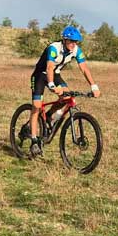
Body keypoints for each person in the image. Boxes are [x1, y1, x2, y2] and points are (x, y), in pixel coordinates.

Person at [28, 26, 101, 157]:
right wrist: (51, 85)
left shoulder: (76, 50)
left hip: (55, 74)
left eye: (76, 42)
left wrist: (94, 86)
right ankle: (33, 140)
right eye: (71, 41)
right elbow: (49, 66)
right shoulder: (54, 48)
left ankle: (50, 116)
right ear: (64, 40)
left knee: (68, 97)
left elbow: (84, 68)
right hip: (40, 75)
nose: (74, 44)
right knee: (36, 107)